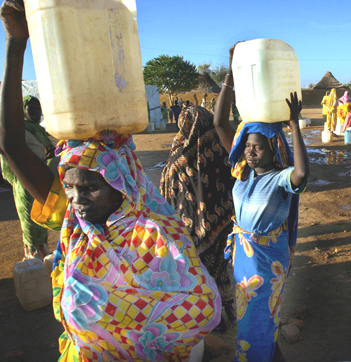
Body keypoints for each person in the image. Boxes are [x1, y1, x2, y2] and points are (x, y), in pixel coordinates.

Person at [0, 1, 221, 360]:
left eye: (88, 188)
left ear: (121, 187)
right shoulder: (72, 219)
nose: (75, 198)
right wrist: (15, 42)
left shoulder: (154, 230)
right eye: (70, 188)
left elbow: (202, 308)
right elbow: (10, 144)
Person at [213, 43, 309, 362]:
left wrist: (294, 124)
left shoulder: (281, 178)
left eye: (257, 147)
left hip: (268, 260)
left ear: (273, 148)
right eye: (248, 146)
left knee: (258, 316)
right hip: (243, 255)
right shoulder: (243, 172)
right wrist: (231, 70)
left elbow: (302, 173)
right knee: (253, 317)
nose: (250, 152)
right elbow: (218, 123)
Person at [160, 105, 237, 332]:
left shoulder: (177, 161)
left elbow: (166, 197)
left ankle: (209, 318)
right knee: (220, 270)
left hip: (190, 233)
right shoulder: (221, 151)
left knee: (199, 276)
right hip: (223, 225)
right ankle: (228, 311)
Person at [0, 95, 53, 260]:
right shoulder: (17, 127)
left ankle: (42, 247)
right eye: (31, 109)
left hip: (40, 174)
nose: (36, 113)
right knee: (28, 214)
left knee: (42, 212)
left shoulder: (39, 129)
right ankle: (31, 250)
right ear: (23, 110)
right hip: (24, 177)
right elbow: (6, 152)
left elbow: (50, 151)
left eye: (38, 109)